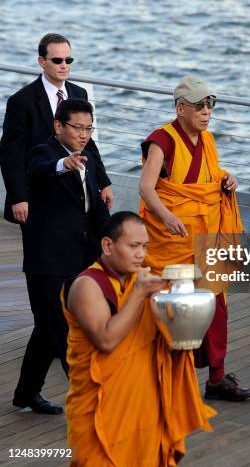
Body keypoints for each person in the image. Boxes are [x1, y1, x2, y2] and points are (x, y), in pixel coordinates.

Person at [63, 211, 215, 466]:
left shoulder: (141, 280)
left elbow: (170, 337)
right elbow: (106, 341)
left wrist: (178, 304)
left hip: (145, 402)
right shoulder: (87, 285)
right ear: (108, 245)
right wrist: (140, 294)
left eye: (145, 247)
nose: (140, 254)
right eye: (133, 246)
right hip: (101, 408)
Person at [139, 75, 250, 401]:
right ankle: (168, 378)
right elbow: (147, 188)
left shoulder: (207, 140)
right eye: (199, 106)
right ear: (180, 109)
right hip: (172, 238)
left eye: (210, 104)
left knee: (216, 305)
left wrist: (227, 179)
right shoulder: (162, 140)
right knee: (174, 309)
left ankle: (217, 378)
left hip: (206, 237)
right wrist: (168, 216)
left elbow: (209, 179)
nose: (207, 112)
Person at [12, 98, 110, 414]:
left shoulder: (90, 160)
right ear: (58, 126)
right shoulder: (43, 153)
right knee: (63, 330)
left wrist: (117, 239)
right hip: (48, 260)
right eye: (77, 128)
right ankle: (91, 400)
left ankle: (26, 393)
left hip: (81, 258)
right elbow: (38, 172)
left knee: (46, 329)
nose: (84, 134)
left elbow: (94, 210)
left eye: (88, 128)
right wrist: (62, 165)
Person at [0, 32, 113, 226]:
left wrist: (104, 182)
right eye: (57, 60)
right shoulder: (21, 101)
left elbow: (88, 142)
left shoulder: (79, 92)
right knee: (40, 253)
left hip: (74, 189)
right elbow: (11, 154)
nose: (64, 65)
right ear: (41, 61)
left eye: (68, 59)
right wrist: (19, 197)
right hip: (37, 191)